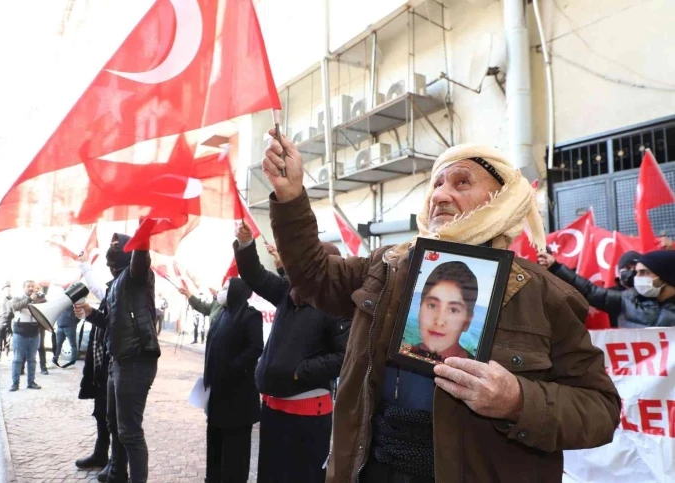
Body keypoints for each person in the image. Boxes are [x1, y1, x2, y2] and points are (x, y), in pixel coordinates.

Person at [261, 136, 620, 482]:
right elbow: (314, 276)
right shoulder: (388, 266)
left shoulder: (546, 296)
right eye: (436, 184)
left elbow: (600, 410)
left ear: (502, 198)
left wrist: (518, 401)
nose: (441, 195)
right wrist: (291, 195)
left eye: (462, 182)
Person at [234, 223, 351, 483]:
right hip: (273, 409)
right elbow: (255, 275)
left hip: (308, 415)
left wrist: (301, 371)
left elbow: (346, 357)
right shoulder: (289, 294)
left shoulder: (337, 304)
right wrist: (245, 244)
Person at [74, 233, 160, 483]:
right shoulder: (116, 285)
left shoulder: (137, 276)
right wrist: (90, 313)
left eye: (116, 246)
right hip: (118, 360)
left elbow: (141, 257)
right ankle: (116, 474)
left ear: (130, 250)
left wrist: (144, 231)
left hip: (136, 361)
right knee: (114, 424)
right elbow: (113, 325)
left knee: (130, 432)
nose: (111, 250)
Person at [203, 277, 263, 483]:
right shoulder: (221, 314)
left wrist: (233, 367)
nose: (222, 291)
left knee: (234, 452)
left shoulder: (250, 316)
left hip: (238, 398)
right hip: (217, 395)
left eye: (226, 287)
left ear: (237, 291)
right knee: (215, 447)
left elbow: (256, 348)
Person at [539, 249, 675, 327]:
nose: (636, 277)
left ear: (665, 276)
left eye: (644, 272)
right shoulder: (628, 299)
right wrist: (556, 268)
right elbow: (589, 291)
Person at [75, 251, 113, 481]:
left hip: (115, 368)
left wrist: (85, 265)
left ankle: (117, 464)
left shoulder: (121, 294)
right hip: (102, 369)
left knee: (115, 419)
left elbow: (98, 288)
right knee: (101, 414)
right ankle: (101, 455)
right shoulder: (111, 296)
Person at [405, 261, 477, 363]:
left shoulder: (475, 371)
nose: (439, 321)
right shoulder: (403, 354)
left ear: (467, 322)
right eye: (432, 305)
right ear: (420, 307)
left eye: (453, 310)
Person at [10, 280, 43, 391]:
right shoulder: (17, 298)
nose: (31, 288)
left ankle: (31, 382)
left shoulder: (38, 299)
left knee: (32, 360)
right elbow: (15, 306)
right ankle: (15, 383)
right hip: (20, 333)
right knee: (17, 359)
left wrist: (42, 298)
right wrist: (29, 299)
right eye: (28, 286)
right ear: (24, 287)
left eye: (33, 286)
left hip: (34, 333)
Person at [0, 283, 14, 361]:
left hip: (9, 322)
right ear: (3, 290)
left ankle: (6, 355)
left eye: (9, 289)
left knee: (8, 340)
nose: (8, 291)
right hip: (0, 322)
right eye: (6, 289)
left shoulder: (13, 299)